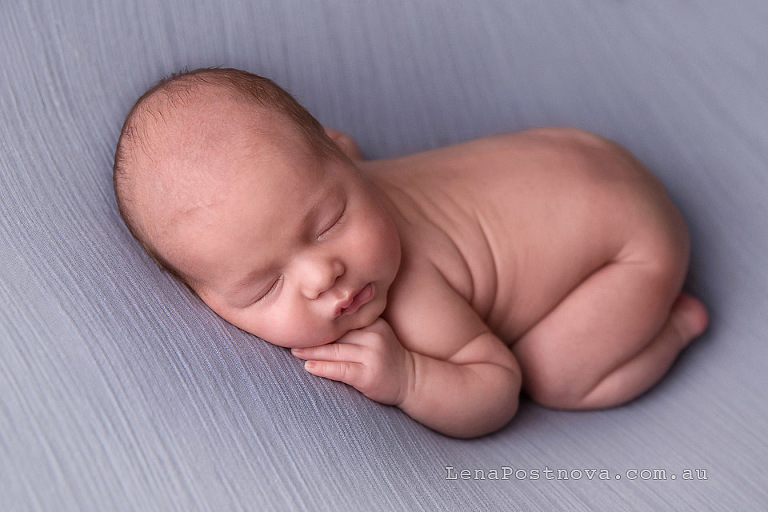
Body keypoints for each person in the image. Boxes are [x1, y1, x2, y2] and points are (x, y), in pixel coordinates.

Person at [113, 68, 709, 438]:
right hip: (580, 152)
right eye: (265, 286)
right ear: (206, 299)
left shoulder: (416, 293)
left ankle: (675, 325)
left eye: (328, 223)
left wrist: (410, 377)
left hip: (632, 249)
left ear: (339, 150)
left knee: (553, 376)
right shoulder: (341, 171)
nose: (324, 275)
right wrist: (337, 212)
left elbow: (498, 391)